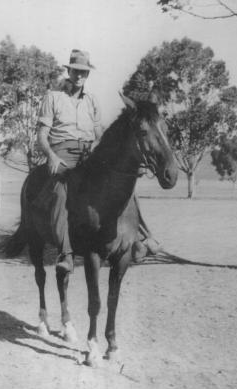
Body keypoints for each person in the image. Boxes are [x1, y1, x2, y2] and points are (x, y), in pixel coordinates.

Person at [35, 49, 159, 274]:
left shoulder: (91, 100)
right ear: (69, 70)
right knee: (61, 190)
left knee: (124, 184)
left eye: (84, 72)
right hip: (62, 153)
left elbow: (98, 132)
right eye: (76, 71)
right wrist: (51, 156)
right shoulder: (53, 97)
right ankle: (66, 253)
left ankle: (142, 236)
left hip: (87, 154)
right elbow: (42, 135)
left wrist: (107, 154)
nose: (80, 76)